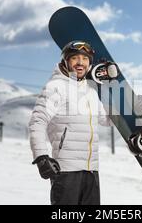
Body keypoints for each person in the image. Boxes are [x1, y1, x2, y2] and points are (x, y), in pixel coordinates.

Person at [28, 40, 112, 205]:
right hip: (66, 171)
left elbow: (105, 119)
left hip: (91, 170)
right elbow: (37, 121)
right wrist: (41, 157)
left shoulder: (90, 90)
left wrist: (133, 112)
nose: (80, 62)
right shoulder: (56, 87)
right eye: (75, 58)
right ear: (65, 61)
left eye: (85, 59)